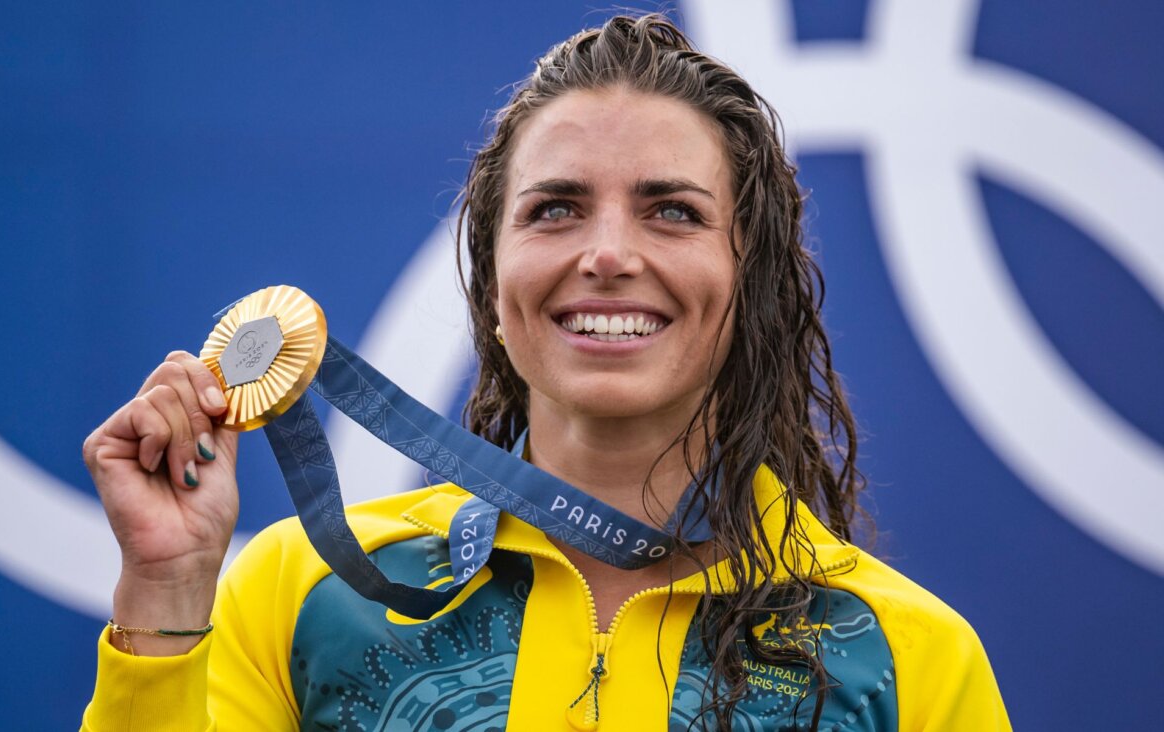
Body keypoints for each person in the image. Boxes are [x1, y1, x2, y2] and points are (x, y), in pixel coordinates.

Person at [80, 14, 1009, 731]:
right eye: (556, 209)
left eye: (673, 212)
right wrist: (164, 591)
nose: (607, 254)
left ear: (750, 279)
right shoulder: (304, 592)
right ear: (493, 284)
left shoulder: (901, 654)